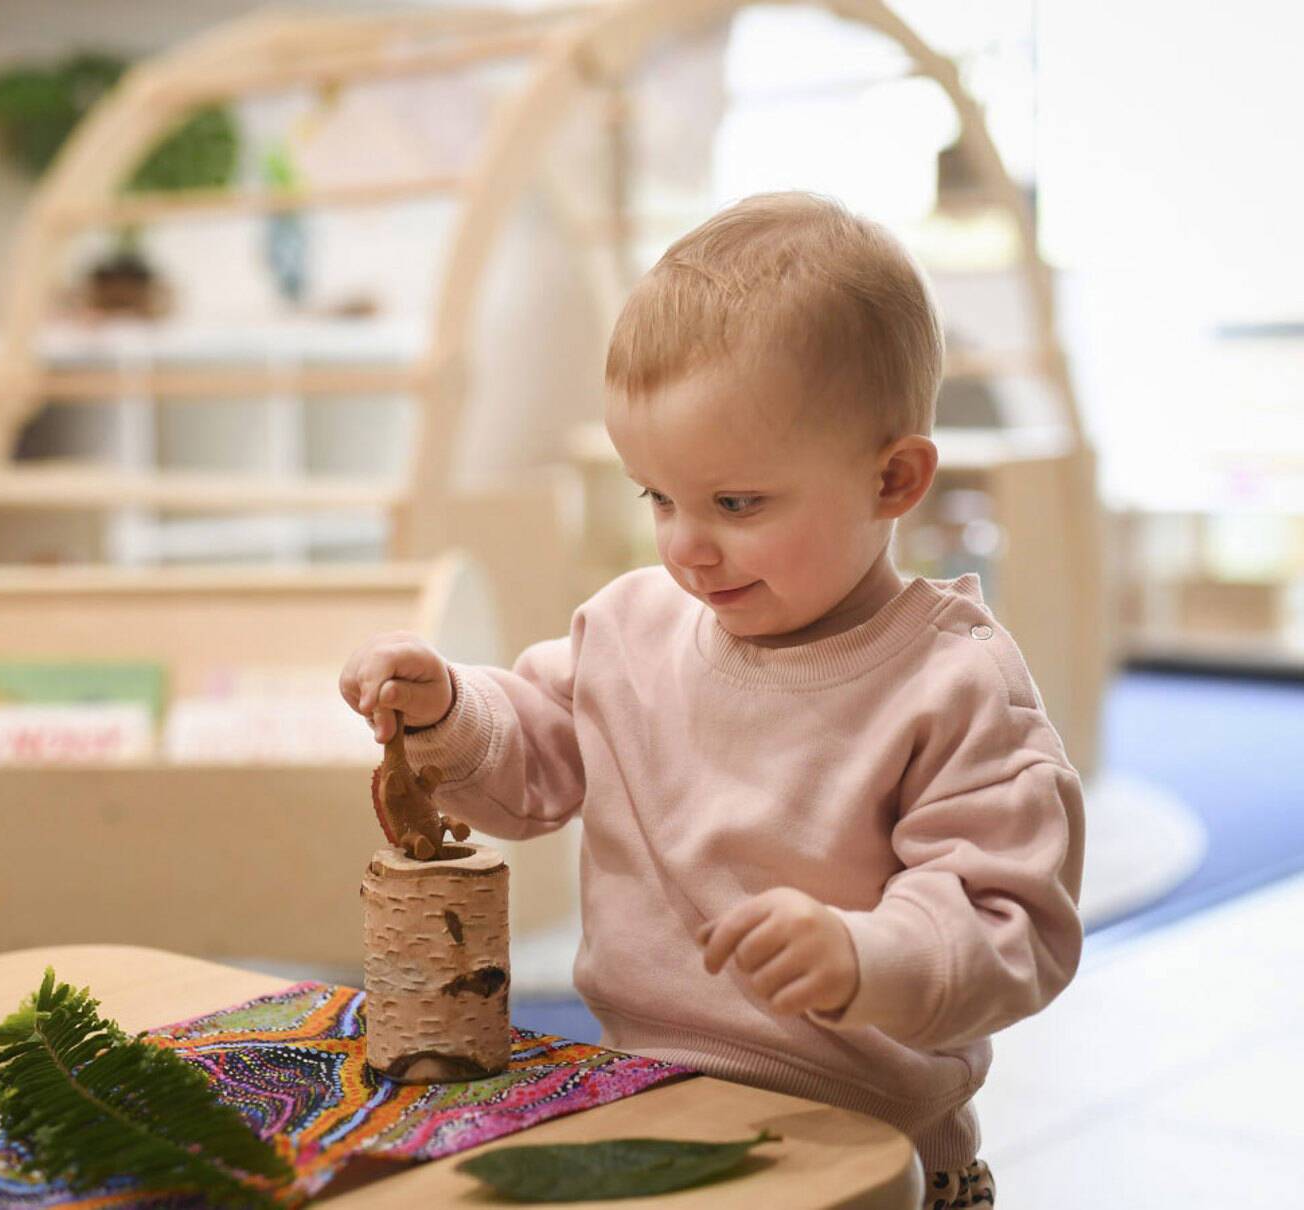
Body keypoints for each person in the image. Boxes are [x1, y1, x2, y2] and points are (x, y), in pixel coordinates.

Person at [339, 192, 1083, 1208]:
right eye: (658, 496)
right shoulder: (628, 629)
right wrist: (447, 708)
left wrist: (866, 954)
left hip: (866, 1154)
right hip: (647, 1107)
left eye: (736, 503)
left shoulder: (953, 685)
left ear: (895, 479)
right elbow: (530, 760)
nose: (686, 543)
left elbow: (1013, 925)